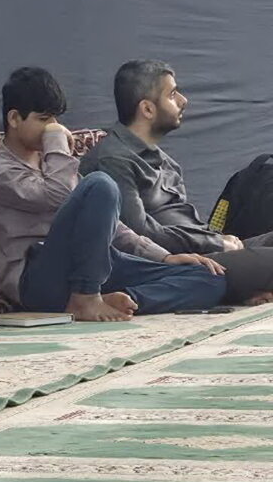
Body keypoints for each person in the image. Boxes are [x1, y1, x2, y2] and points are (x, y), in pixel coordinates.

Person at [0, 67, 226, 322]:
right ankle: (86, 297)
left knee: (208, 278)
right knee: (101, 184)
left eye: (55, 120)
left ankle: (122, 301)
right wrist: (55, 140)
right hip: (39, 279)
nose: (53, 127)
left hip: (90, 268)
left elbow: (111, 227)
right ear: (14, 118)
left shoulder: (51, 161)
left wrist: (164, 256)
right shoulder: (1, 171)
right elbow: (60, 194)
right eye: (44, 120)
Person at [80, 59, 273, 304]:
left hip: (208, 251)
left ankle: (249, 286)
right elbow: (139, 233)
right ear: (147, 109)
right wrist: (216, 243)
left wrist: (219, 241)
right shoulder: (114, 160)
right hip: (174, 266)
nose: (183, 101)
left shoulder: (166, 162)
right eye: (172, 94)